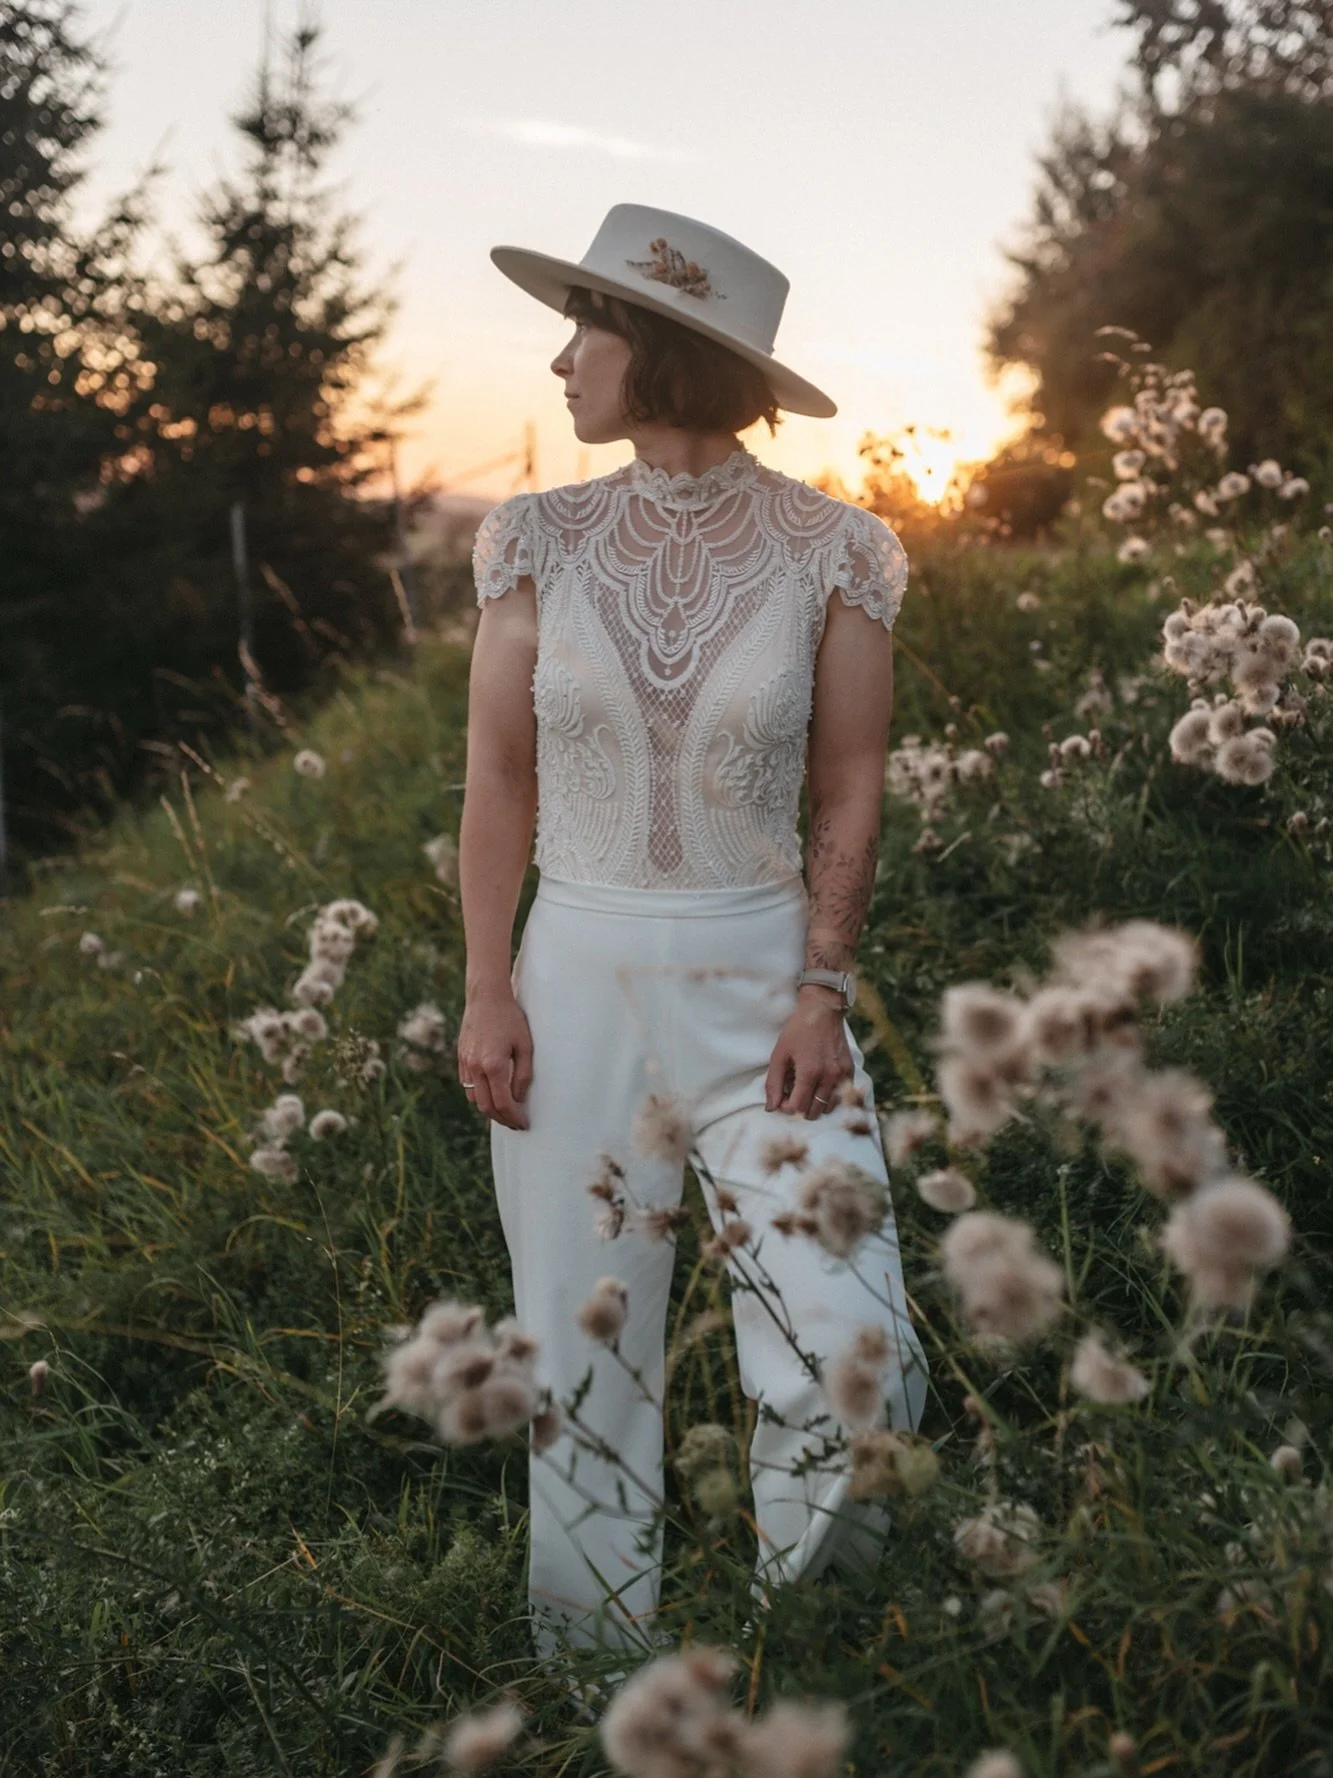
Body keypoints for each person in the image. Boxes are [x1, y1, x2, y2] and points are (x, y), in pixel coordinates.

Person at [456, 204, 928, 1677]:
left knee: (859, 1357)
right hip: (572, 982)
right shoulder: (535, 539)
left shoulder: (837, 551)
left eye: (587, 325)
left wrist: (821, 991)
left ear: (658, 349)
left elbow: (850, 782)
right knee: (580, 1360)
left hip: (765, 989)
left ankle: (814, 1655)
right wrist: (485, 986)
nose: (559, 357)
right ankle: (593, 1679)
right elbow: (499, 781)